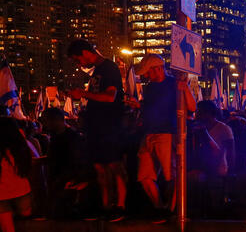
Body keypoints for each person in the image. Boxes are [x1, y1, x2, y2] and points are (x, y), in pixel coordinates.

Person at [66, 39, 126, 221]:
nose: (79, 64)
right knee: (100, 167)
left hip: (110, 126)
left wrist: (83, 94)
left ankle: (120, 205)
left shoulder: (109, 68)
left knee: (114, 166)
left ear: (85, 53)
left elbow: (110, 97)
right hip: (97, 128)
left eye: (78, 60)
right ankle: (106, 205)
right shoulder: (97, 71)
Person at [130, 54, 195, 221]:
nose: (146, 75)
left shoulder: (174, 83)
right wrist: (139, 106)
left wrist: (185, 88)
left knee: (171, 175)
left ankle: (170, 210)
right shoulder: (150, 87)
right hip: (149, 133)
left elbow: (192, 107)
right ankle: (160, 208)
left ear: (158, 68)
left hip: (167, 134)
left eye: (148, 71)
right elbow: (149, 109)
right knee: (144, 176)